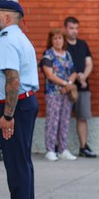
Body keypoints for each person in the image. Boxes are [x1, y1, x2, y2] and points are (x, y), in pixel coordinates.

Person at [0, 0, 40, 199]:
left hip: (14, 105)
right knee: (23, 162)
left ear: (7, 18)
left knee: (16, 163)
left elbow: (13, 79)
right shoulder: (19, 37)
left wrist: (7, 115)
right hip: (23, 103)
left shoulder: (7, 40)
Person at [40, 28, 78, 161]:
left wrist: (68, 84)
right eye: (55, 38)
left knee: (65, 121)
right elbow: (49, 74)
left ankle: (63, 149)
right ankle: (50, 149)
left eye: (60, 38)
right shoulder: (48, 55)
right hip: (53, 93)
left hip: (66, 93)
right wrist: (65, 84)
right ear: (51, 40)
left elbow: (74, 72)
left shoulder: (67, 54)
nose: (57, 41)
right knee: (52, 121)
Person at [63, 17, 96, 157]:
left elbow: (89, 63)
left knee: (82, 117)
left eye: (76, 28)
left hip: (82, 87)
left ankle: (83, 147)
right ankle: (61, 147)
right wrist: (73, 77)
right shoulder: (61, 44)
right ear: (65, 28)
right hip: (65, 87)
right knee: (62, 118)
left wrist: (83, 76)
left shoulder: (83, 44)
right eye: (71, 28)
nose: (74, 31)